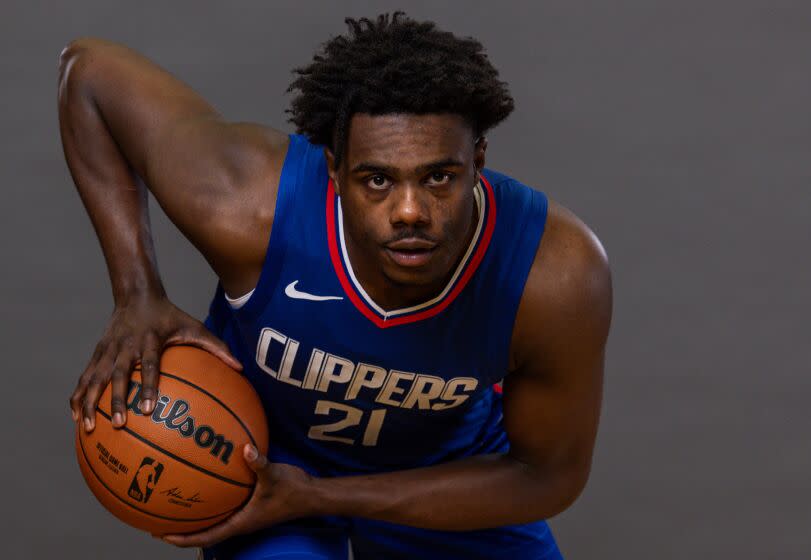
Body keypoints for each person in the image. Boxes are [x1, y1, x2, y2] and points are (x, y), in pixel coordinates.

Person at [59, 13, 611, 560]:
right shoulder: (249, 205)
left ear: (478, 162)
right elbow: (88, 70)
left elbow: (548, 476)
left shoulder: (550, 273)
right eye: (376, 179)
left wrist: (323, 497)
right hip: (267, 463)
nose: (410, 211)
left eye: (439, 176)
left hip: (446, 474)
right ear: (334, 168)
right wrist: (136, 293)